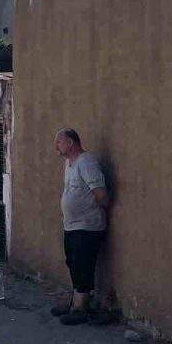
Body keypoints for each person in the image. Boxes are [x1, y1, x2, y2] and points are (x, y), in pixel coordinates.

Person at [51, 128, 110, 326]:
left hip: (87, 225)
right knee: (73, 263)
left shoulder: (87, 162)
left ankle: (80, 308)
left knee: (83, 264)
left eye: (59, 142)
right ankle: (75, 302)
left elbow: (101, 194)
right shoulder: (69, 164)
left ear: (70, 143)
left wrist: (96, 211)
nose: (56, 146)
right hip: (71, 225)